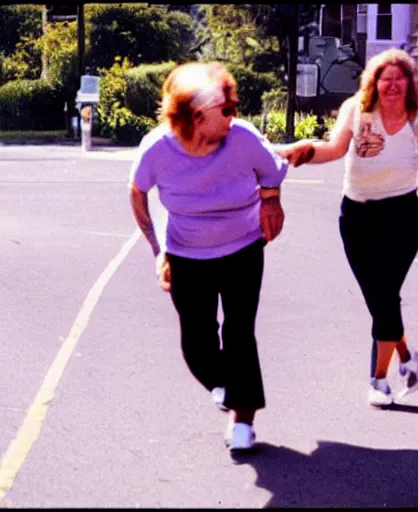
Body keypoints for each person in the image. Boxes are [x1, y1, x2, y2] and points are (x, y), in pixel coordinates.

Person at [275, 48, 418, 407]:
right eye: (384, 79)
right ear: (374, 82)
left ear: (409, 84)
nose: (391, 85)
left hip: (401, 215)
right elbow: (334, 149)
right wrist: (303, 151)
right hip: (356, 216)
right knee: (378, 298)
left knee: (384, 293)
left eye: (398, 79)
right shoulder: (356, 110)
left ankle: (379, 380)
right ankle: (407, 357)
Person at [128, 61, 288, 451]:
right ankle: (225, 385)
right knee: (196, 343)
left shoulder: (244, 137)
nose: (234, 117)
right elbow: (137, 193)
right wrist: (157, 250)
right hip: (185, 252)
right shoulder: (157, 149)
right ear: (197, 116)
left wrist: (271, 202)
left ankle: (243, 421)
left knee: (238, 332)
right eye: (227, 110)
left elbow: (271, 171)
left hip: (243, 246)